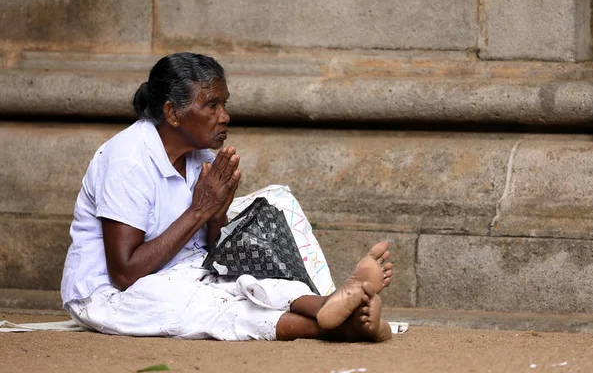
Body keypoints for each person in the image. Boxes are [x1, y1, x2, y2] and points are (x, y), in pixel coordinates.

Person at [60, 52, 394, 342]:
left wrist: (218, 211)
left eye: (225, 103)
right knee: (214, 308)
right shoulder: (128, 159)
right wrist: (201, 210)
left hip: (185, 272)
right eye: (212, 105)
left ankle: (331, 304)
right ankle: (346, 328)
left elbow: (213, 249)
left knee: (248, 277)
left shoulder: (201, 157)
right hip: (111, 295)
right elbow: (125, 273)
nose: (225, 116)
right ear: (172, 113)